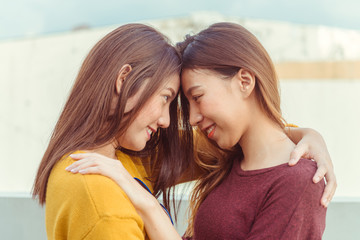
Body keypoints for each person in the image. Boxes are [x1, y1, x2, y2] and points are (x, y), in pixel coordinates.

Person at [66, 23, 335, 240]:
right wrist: (306, 134)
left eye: (198, 96)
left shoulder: (298, 183)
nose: (192, 118)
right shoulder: (226, 157)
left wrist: (144, 202)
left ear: (244, 81)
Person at [32, 23, 194, 239]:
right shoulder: (107, 210)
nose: (166, 120)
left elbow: (222, 141)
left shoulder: (114, 161)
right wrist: (150, 207)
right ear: (123, 79)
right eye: (165, 97)